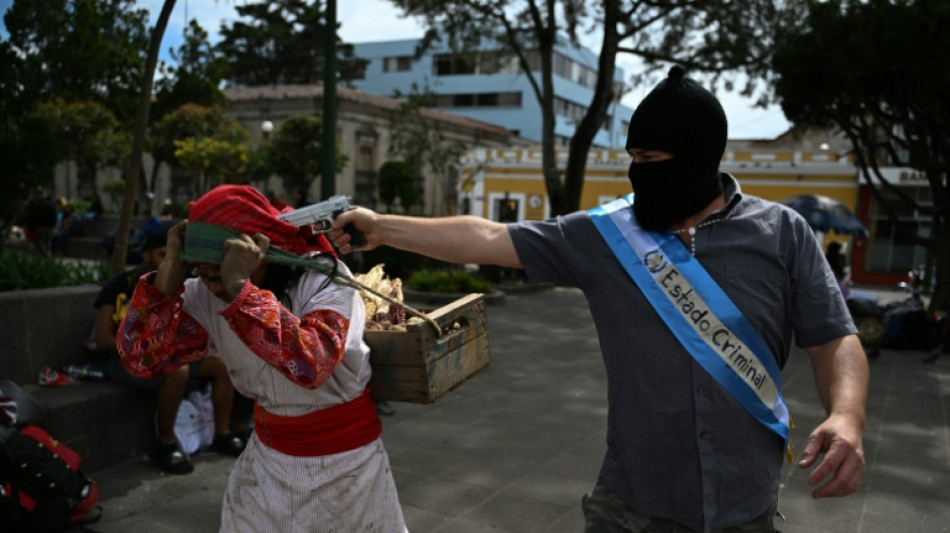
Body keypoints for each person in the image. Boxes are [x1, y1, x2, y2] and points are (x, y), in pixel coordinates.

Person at [330, 66, 869, 533]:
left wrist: (847, 416)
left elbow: (833, 337)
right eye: (633, 157)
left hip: (744, 503)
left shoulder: (782, 233)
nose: (638, 171)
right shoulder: (606, 235)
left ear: (699, 156)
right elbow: (492, 239)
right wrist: (384, 228)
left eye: (651, 157)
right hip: (632, 502)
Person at [116, 185, 406, 532]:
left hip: (345, 468)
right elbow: (142, 360)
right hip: (267, 465)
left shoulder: (324, 281)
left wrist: (241, 290)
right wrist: (165, 281)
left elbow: (311, 364)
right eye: (202, 273)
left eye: (218, 273)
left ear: (260, 252)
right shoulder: (206, 291)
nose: (212, 285)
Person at [94, 231, 245, 475]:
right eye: (163, 255)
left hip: (172, 354)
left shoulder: (185, 285)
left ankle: (223, 433)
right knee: (177, 370)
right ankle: (165, 444)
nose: (170, 261)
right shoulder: (123, 285)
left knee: (221, 364)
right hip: (127, 360)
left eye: (175, 255)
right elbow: (103, 340)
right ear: (146, 255)